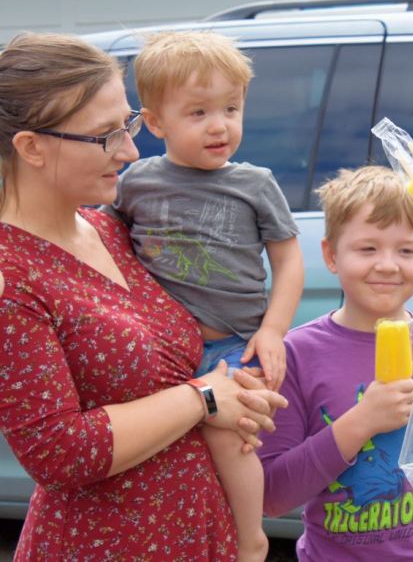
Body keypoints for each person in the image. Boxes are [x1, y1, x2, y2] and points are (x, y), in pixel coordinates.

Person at [0, 32, 288, 560]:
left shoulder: (111, 228)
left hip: (199, 530)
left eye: (128, 124)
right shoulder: (10, 276)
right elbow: (58, 453)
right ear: (31, 147)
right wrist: (201, 399)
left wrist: (236, 384)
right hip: (111, 544)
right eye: (104, 136)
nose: (131, 151)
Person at [101, 30, 305, 561]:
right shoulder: (134, 183)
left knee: (227, 435)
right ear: (155, 122)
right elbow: (105, 245)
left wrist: (273, 330)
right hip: (164, 353)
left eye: (231, 108)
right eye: (198, 112)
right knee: (167, 450)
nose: (220, 125)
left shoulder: (254, 184)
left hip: (233, 345)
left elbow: (287, 260)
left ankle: (250, 538)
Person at [259, 165, 413, 561]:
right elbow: (272, 495)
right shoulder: (296, 355)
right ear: (331, 255)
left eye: (406, 250)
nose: (388, 265)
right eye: (368, 249)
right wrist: (361, 423)